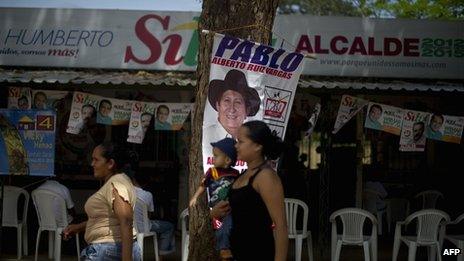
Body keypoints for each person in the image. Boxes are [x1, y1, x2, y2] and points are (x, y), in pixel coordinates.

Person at [211, 120, 288, 261]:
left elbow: (281, 227)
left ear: (258, 146)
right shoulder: (243, 174)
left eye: (240, 142)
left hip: (258, 253)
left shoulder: (266, 177)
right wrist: (214, 213)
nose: (236, 146)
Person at [63, 142, 141, 261]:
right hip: (108, 249)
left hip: (107, 251)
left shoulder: (116, 184)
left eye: (96, 160)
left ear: (110, 163)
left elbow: (126, 221)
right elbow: (109, 217)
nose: (92, 164)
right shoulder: (116, 182)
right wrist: (79, 227)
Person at [189, 137, 239, 260]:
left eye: (216, 156)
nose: (213, 159)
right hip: (215, 208)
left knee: (227, 227)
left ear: (227, 160)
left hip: (229, 208)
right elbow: (203, 185)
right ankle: (222, 249)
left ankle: (224, 250)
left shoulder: (235, 174)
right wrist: (194, 197)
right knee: (218, 230)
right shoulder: (212, 172)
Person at [206, 69, 260, 139]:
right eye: (227, 100)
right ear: (218, 106)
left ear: (247, 111)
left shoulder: (253, 142)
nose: (232, 109)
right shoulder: (205, 136)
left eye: (238, 102)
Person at [132, 175, 175, 259]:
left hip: (129, 227)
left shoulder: (126, 192)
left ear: (133, 180)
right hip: (144, 228)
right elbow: (149, 214)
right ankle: (161, 255)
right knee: (169, 226)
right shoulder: (147, 195)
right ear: (146, 183)